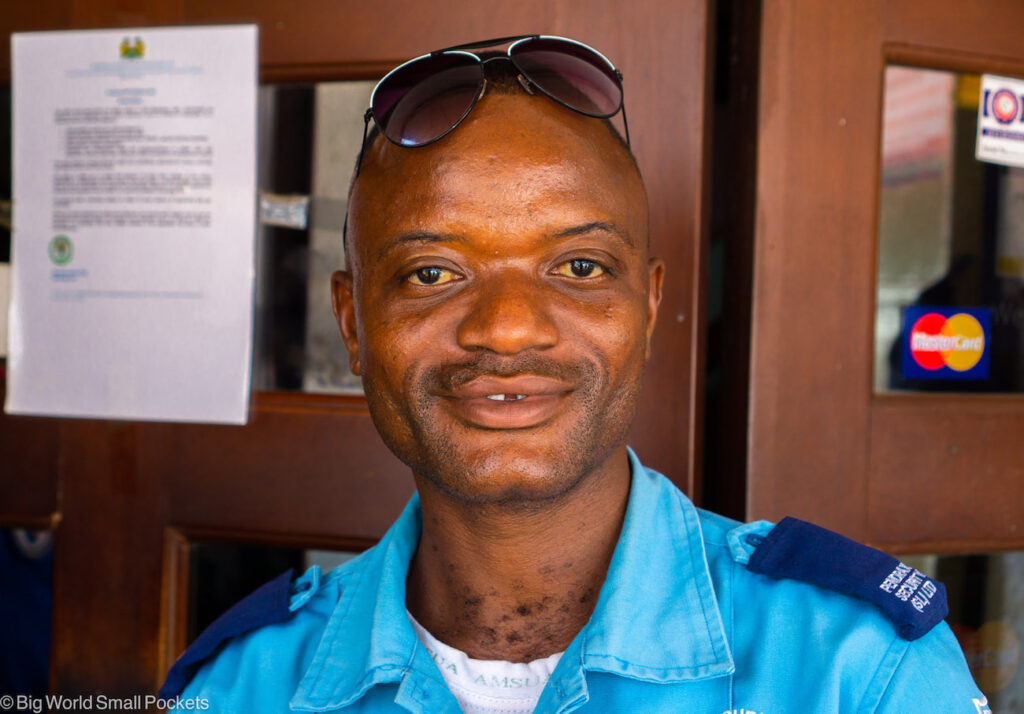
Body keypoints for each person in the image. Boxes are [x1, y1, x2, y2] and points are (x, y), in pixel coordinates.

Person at [162, 36, 988, 713]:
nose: (508, 327)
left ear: (650, 305)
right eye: (431, 274)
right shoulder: (241, 687)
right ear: (354, 323)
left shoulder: (858, 673)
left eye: (581, 266)